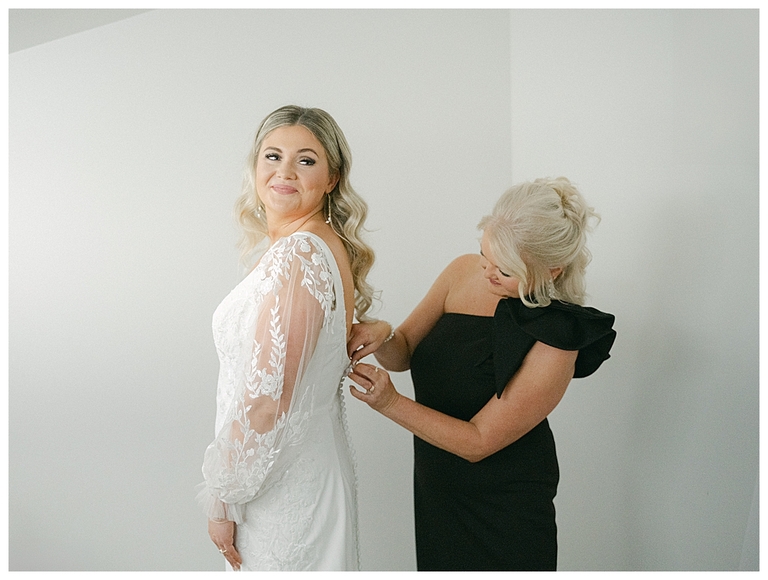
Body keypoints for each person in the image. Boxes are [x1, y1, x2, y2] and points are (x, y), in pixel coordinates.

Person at [347, 177, 616, 571]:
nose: (487, 272)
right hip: (439, 488)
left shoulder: (559, 336)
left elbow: (478, 442)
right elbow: (403, 351)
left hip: (506, 505)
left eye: (504, 270)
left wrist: (390, 403)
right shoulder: (463, 271)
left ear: (551, 271)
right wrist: (382, 334)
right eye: (484, 255)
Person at [197, 105, 375, 571]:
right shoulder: (314, 244)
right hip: (298, 473)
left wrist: (222, 497)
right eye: (273, 156)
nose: (285, 171)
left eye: (306, 160)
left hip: (281, 489)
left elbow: (269, 394)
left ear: (332, 178)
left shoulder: (299, 254)